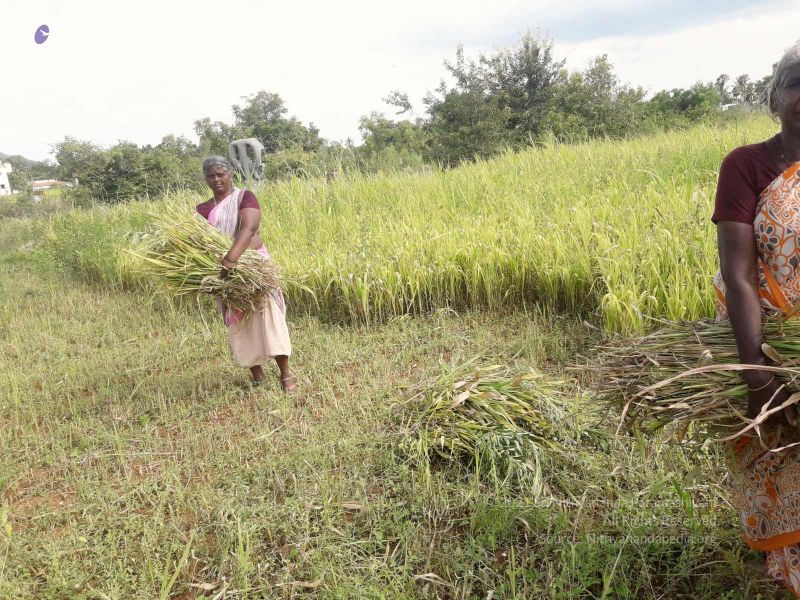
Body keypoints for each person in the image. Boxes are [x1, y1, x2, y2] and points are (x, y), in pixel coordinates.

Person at [713, 41, 800, 594]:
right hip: (771, 340)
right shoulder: (747, 165)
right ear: (775, 98)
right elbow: (740, 275)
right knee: (785, 455)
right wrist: (757, 373)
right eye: (797, 84)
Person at [196, 156, 296, 393]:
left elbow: (248, 228)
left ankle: (285, 373)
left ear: (230, 174)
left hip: (253, 267)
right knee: (239, 322)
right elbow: (198, 242)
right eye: (211, 176)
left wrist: (231, 259)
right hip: (225, 274)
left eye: (221, 174)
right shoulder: (202, 209)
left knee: (269, 318)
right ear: (206, 179)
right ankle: (257, 375)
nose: (216, 179)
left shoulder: (244, 197)